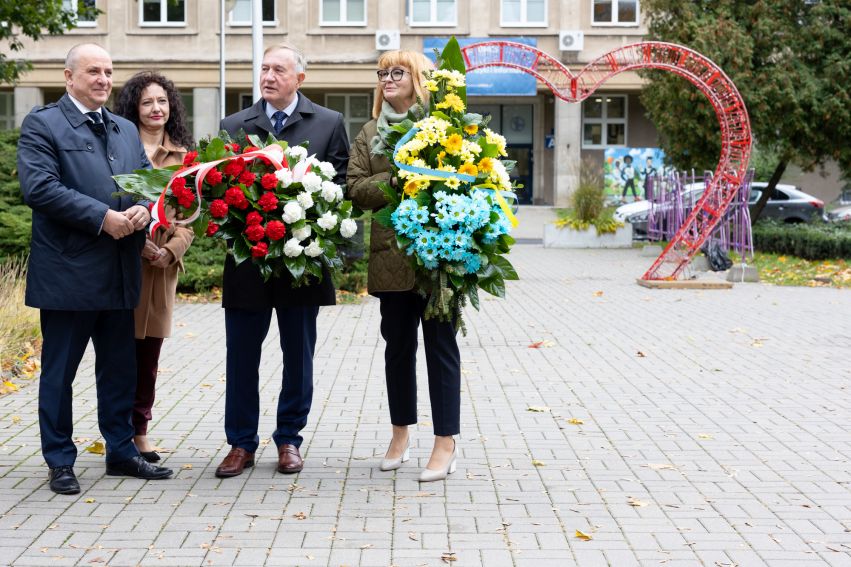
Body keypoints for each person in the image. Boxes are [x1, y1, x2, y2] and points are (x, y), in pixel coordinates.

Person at [17, 44, 174, 495]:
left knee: (119, 369)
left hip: (120, 271)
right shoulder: (42, 124)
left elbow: (149, 182)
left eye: (108, 71)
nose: (104, 79)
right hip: (68, 273)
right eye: (93, 71)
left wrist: (146, 210)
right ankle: (60, 461)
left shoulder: (124, 128)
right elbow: (40, 188)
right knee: (60, 372)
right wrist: (102, 218)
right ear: (69, 77)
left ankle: (121, 451)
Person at [214, 42, 349, 478]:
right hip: (248, 262)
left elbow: (341, 189)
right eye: (264, 68)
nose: (268, 76)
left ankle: (289, 439)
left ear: (299, 79)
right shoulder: (236, 125)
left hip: (301, 264)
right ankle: (240, 443)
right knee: (241, 356)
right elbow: (220, 190)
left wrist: (314, 223)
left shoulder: (328, 123)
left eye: (278, 70)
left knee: (299, 354)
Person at [347, 50, 460, 482]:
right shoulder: (370, 131)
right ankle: (400, 434)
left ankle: (446, 442)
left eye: (397, 72)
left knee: (441, 349)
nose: (387, 79)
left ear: (418, 78)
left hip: (439, 256)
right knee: (398, 349)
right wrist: (397, 179)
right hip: (390, 257)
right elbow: (355, 186)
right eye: (382, 73)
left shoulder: (445, 128)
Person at [114, 71, 196, 463]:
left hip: (160, 268)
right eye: (147, 102)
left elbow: (192, 217)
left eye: (162, 101)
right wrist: (134, 241)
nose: (155, 108)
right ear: (134, 107)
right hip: (117, 261)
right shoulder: (116, 147)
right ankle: (117, 431)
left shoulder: (183, 157)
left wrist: (171, 250)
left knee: (148, 356)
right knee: (118, 353)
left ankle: (140, 431)